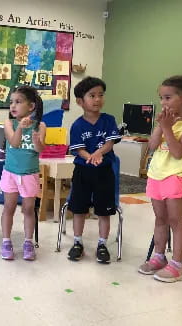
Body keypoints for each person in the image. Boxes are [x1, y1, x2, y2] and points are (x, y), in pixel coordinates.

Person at [138, 75, 182, 282]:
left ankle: (177, 264)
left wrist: (167, 127)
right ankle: (159, 257)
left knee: (176, 221)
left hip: (176, 177)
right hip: (156, 175)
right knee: (160, 219)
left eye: (167, 98)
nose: (163, 103)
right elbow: (152, 145)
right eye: (161, 98)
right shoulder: (166, 120)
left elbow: (177, 152)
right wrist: (161, 125)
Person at [67, 76, 121, 264]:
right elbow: (78, 149)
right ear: (80, 101)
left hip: (104, 172)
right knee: (79, 209)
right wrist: (89, 157)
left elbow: (110, 142)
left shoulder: (109, 120)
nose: (98, 99)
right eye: (92, 95)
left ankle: (102, 244)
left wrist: (97, 153)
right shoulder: (77, 125)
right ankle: (77, 242)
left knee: (104, 211)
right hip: (83, 172)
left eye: (101, 95)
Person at [0, 85, 46, 261]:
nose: (13, 106)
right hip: (10, 172)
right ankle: (6, 241)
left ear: (31, 106)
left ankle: (28, 242)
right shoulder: (9, 123)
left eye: (18, 102)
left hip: (30, 174)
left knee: (28, 209)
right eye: (11, 102)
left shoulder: (40, 125)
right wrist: (20, 128)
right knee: (9, 207)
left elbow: (40, 149)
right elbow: (14, 142)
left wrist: (36, 140)